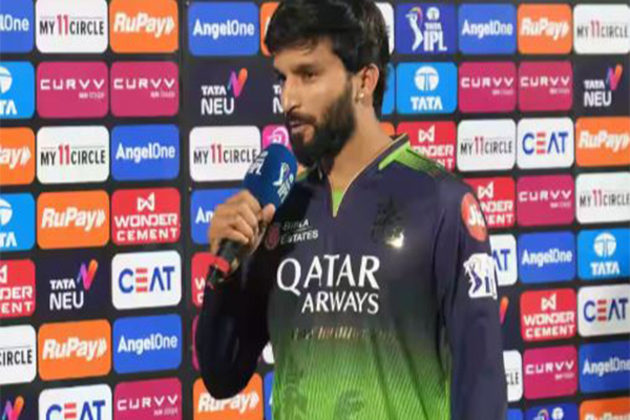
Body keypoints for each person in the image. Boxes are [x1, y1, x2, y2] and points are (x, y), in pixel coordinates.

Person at [195, 0, 507, 418]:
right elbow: (222, 376)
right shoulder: (279, 208)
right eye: (283, 78)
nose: (288, 98)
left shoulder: (442, 202)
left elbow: (481, 385)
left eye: (308, 74)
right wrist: (227, 276)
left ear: (364, 81)